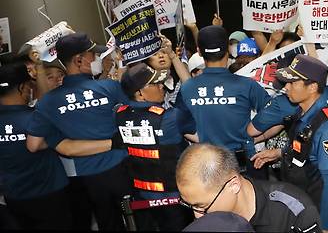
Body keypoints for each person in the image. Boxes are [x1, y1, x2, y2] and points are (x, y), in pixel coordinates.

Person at [26, 32, 132, 231]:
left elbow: (35, 144)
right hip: (122, 167)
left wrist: (61, 139)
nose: (97, 58)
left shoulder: (48, 103)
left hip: (87, 178)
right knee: (140, 218)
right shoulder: (109, 87)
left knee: (108, 223)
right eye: (93, 55)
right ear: (79, 60)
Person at [1, 62, 114, 230]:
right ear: (23, 87)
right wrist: (115, 143)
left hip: (13, 198)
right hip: (49, 195)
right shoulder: (36, 120)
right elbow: (65, 145)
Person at [252, 54, 328, 232]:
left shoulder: (327, 130)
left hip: (326, 212)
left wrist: (325, 225)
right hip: (307, 202)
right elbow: (306, 147)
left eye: (292, 83)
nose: (286, 87)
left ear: (313, 87)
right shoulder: (304, 114)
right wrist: (279, 153)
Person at [175, 25, 271, 178]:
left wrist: (206, 139)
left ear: (199, 52)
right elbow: (278, 114)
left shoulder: (187, 88)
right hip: (244, 164)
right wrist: (251, 138)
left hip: (208, 165)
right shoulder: (246, 85)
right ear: (228, 50)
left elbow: (182, 126)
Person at [115, 63, 196, 231]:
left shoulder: (118, 114)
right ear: (139, 93)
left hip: (140, 198)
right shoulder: (172, 117)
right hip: (174, 199)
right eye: (155, 84)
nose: (162, 87)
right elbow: (199, 136)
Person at [176, 143, 321, 232]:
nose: (197, 216)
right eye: (188, 205)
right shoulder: (206, 219)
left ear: (233, 185)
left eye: (201, 206)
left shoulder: (294, 211)